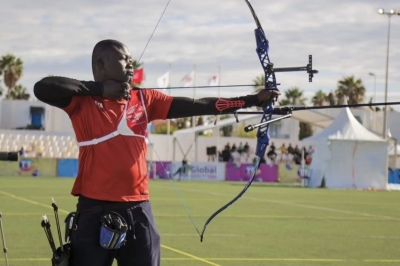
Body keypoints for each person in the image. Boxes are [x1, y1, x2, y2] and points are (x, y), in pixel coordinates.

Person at [34, 39, 280, 266]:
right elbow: (42, 87)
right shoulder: (82, 101)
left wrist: (252, 100)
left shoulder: (145, 99)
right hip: (93, 209)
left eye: (131, 59)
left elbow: (198, 106)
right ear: (101, 64)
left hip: (138, 211)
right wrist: (99, 89)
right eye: (124, 59)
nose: (131, 63)